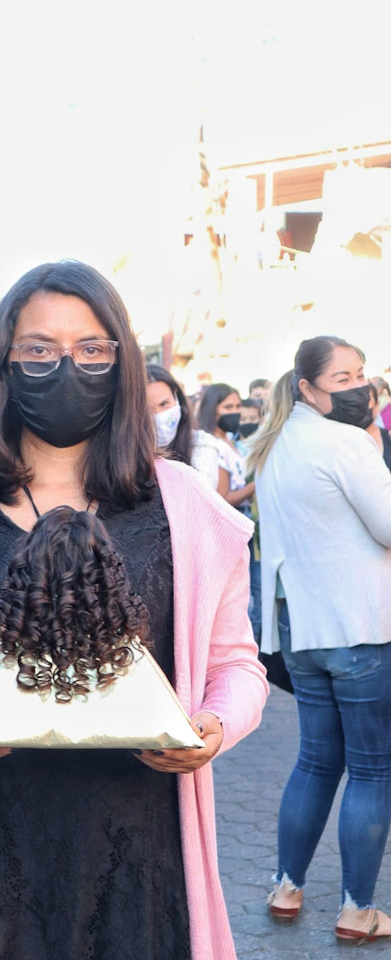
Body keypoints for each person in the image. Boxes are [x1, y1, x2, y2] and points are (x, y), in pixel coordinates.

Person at [0, 260, 268, 960]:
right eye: (39, 349)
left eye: (92, 349)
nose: (67, 368)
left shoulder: (186, 505)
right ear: (4, 363)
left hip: (145, 852)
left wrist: (215, 727)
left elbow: (237, 666)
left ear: (123, 362)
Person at [248, 335, 391, 943]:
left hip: (302, 632)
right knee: (372, 771)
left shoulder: (273, 445)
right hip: (359, 628)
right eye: (343, 377)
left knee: (315, 762)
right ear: (307, 387)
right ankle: (357, 910)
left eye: (361, 373)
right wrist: (375, 449)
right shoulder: (346, 444)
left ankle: (286, 887)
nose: (359, 387)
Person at [145, 363, 219, 488]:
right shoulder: (127, 453)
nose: (158, 414)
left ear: (177, 398)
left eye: (164, 404)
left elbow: (202, 491)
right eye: (147, 409)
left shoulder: (201, 443)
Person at [197, 383, 255, 510]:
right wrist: (254, 486)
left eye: (238, 406)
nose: (235, 412)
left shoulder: (228, 438)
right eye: (228, 407)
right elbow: (222, 498)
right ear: (212, 409)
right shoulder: (211, 446)